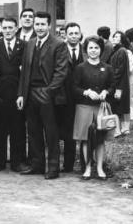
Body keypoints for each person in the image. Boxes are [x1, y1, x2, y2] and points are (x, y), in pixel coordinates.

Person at [17, 11, 69, 180]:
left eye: (42, 24)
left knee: (51, 132)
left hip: (48, 94)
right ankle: (37, 165)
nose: (39, 27)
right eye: (36, 24)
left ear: (49, 25)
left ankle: (53, 167)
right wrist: (21, 94)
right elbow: (25, 71)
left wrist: (48, 92)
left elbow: (61, 72)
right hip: (30, 93)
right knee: (33, 131)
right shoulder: (30, 44)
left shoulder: (59, 44)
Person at [72, 35, 115, 180]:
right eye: (90, 48)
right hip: (84, 107)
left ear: (101, 49)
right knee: (85, 139)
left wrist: (106, 92)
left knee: (100, 140)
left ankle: (100, 168)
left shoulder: (107, 68)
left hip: (101, 108)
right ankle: (88, 168)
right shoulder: (80, 68)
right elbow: (74, 87)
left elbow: (112, 86)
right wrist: (86, 92)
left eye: (96, 48)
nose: (93, 50)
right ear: (86, 50)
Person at [0, 17, 27, 172]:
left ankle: (16, 162)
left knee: (17, 130)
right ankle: (0, 161)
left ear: (16, 28)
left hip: (17, 95)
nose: (7, 31)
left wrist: (22, 94)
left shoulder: (24, 46)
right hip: (0, 95)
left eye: (11, 28)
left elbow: (26, 72)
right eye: (4, 28)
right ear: (0, 29)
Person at [60, 21, 84, 173]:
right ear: (66, 35)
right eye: (71, 33)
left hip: (83, 97)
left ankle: (86, 163)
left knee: (86, 131)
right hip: (64, 96)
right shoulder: (60, 50)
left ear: (80, 34)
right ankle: (67, 165)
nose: (74, 36)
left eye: (76, 33)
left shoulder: (87, 51)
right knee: (67, 132)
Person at [109, 31, 132, 135]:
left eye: (117, 36)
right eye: (114, 36)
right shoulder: (116, 50)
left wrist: (113, 80)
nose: (115, 38)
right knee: (119, 106)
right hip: (118, 83)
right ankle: (121, 128)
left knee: (119, 106)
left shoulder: (121, 51)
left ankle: (121, 129)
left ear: (122, 39)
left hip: (119, 84)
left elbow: (120, 69)